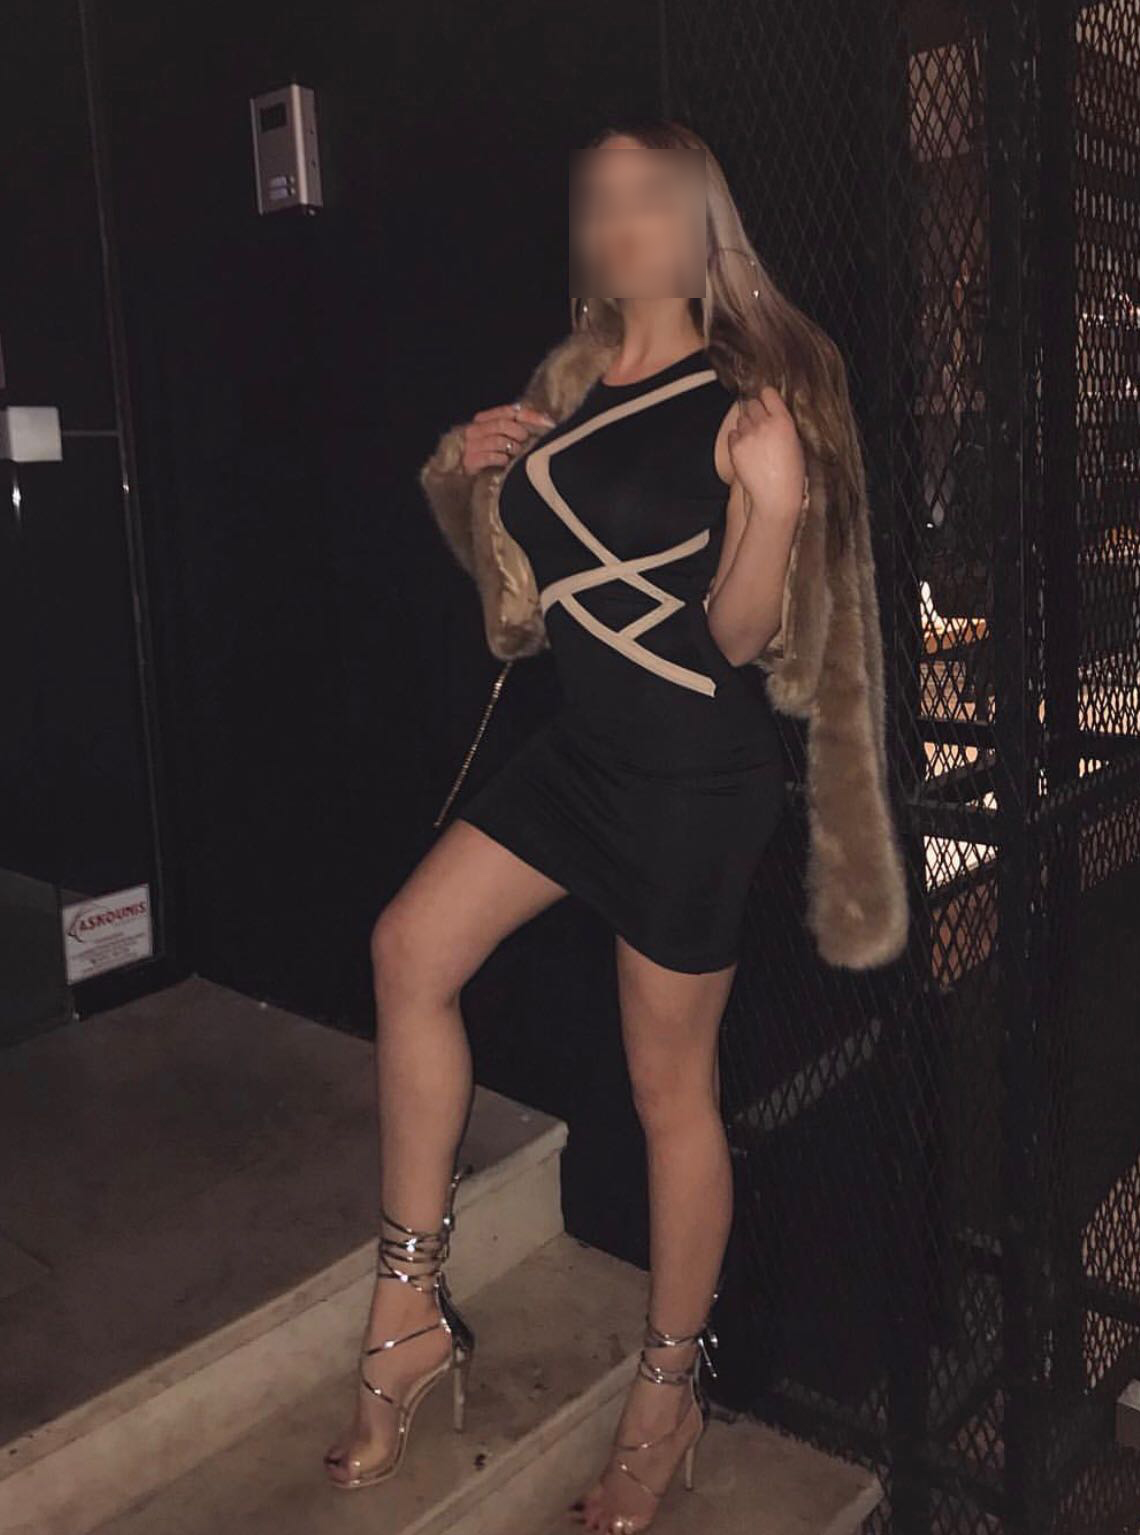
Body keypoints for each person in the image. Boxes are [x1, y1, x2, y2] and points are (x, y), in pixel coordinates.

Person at [323, 117, 877, 1534]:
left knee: (666, 1092)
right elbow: (524, 602)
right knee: (408, 951)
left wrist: (770, 506)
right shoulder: (566, 388)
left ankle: (667, 1394)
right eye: (603, 198)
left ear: (703, 225)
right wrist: (480, 467)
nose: (624, 220)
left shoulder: (751, 391)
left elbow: (737, 635)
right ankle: (408, 1309)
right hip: (579, 756)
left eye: (654, 197)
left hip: (693, 776)